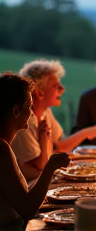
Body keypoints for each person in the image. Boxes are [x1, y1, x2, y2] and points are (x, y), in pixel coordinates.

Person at [11, 59, 96, 183]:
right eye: (56, 86)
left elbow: (61, 145)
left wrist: (89, 132)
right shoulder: (25, 122)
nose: (62, 89)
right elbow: (40, 165)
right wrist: (87, 132)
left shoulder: (46, 113)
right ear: (40, 93)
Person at [0, 72, 69, 230]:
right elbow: (27, 208)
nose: (31, 112)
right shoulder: (2, 150)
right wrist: (50, 167)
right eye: (29, 106)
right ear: (16, 111)